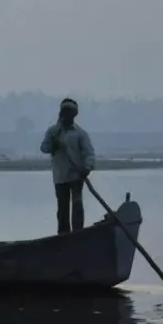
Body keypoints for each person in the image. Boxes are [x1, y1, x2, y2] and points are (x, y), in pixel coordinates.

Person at [40, 98, 96, 235]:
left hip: (76, 175)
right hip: (59, 176)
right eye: (64, 112)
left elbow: (89, 153)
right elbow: (44, 148)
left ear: (74, 114)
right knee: (62, 208)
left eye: (69, 112)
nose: (66, 115)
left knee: (77, 205)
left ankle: (78, 234)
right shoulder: (53, 132)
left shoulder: (79, 133)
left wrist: (87, 168)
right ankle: (64, 235)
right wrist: (54, 143)